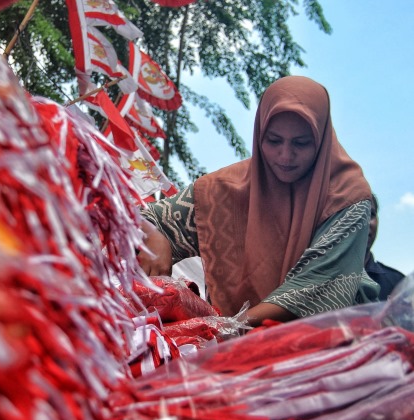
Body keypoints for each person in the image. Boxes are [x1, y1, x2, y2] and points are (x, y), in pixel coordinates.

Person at [138, 75, 380, 327]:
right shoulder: (222, 190)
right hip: (228, 353)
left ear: (322, 141)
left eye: (301, 143)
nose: (286, 155)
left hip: (324, 347)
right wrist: (154, 234)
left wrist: (226, 328)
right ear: (259, 134)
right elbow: (140, 219)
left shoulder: (347, 197)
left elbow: (315, 289)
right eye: (274, 141)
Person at [365, 193, 405, 299]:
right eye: (357, 214)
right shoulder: (321, 278)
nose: (366, 222)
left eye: (371, 214)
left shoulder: (398, 284)